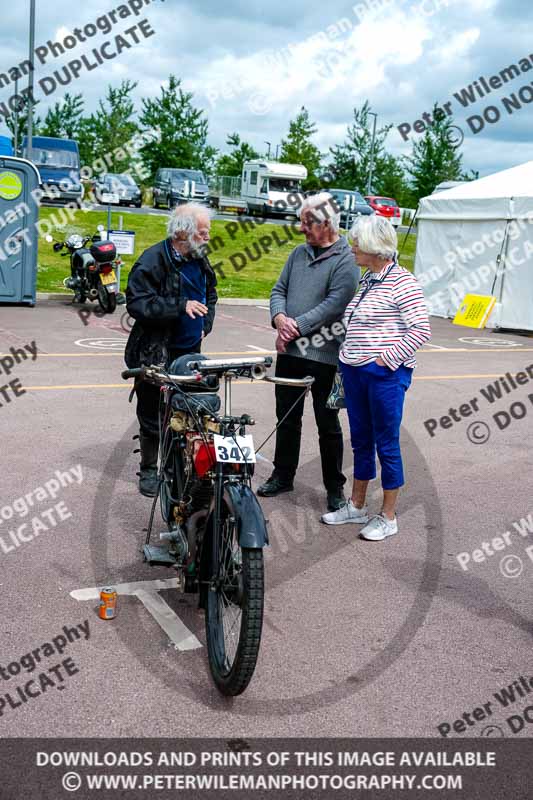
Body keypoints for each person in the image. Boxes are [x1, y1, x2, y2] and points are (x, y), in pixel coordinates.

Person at [321, 215, 431, 539]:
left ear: (374, 247)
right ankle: (356, 506)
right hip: (355, 372)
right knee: (361, 440)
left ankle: (388, 516)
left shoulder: (403, 282)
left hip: (383, 375)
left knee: (387, 443)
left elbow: (420, 330)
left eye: (357, 243)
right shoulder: (368, 279)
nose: (352, 247)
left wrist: (387, 360)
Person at [258, 192, 360, 511]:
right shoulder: (297, 254)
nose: (301, 228)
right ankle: (283, 475)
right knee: (286, 419)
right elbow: (279, 290)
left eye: (306, 222)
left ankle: (334, 488)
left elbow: (335, 304)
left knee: (327, 425)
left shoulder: (347, 258)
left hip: (325, 358)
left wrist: (295, 326)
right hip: (289, 353)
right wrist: (279, 318)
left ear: (326, 223)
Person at [125, 203, 218, 496]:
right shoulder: (152, 260)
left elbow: (211, 291)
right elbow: (138, 304)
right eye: (203, 233)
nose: (207, 239)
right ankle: (150, 470)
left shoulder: (200, 257)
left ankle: (175, 465)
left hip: (190, 352)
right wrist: (180, 306)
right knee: (152, 413)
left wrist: (207, 321)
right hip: (155, 353)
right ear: (182, 233)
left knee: (185, 412)